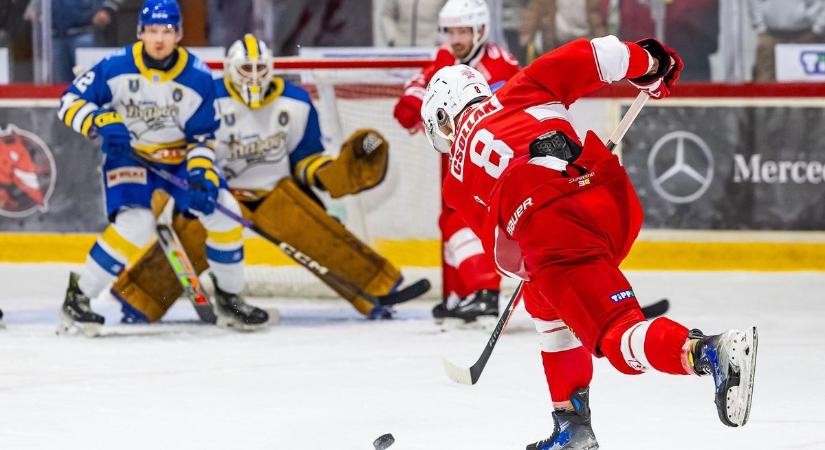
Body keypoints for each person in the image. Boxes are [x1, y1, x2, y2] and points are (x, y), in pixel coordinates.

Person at [420, 36, 758, 448]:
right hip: (607, 197)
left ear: (444, 115)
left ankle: (709, 352)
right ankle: (571, 425)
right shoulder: (520, 89)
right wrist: (651, 64)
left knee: (616, 333)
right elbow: (597, 55)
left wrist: (534, 251)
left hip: (553, 224)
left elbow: (507, 258)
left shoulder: (456, 180)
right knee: (544, 300)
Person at [110, 34, 418, 322]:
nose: (254, 76)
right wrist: (175, 191)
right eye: (246, 68)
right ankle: (139, 298)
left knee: (321, 235)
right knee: (192, 235)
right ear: (230, 70)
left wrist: (331, 174)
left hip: (274, 195)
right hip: (219, 195)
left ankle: (380, 287)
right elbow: (182, 149)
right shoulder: (204, 98)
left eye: (260, 68)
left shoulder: (295, 102)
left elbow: (306, 157)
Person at [55, 0, 267, 336]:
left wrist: (201, 175)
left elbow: (202, 138)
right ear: (139, 32)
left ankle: (229, 298)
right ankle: (78, 298)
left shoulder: (197, 76)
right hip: (130, 156)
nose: (158, 39)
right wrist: (98, 120)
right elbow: (67, 102)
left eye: (167, 31)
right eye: (152, 30)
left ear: (179, 34)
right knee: (136, 223)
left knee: (224, 209)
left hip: (179, 159)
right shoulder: (114, 66)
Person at [392, 0, 520, 327]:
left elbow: (513, 110)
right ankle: (462, 295)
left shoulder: (501, 65)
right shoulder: (445, 57)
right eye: (450, 31)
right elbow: (421, 85)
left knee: (465, 220)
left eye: (462, 30)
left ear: (480, 30)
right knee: (452, 218)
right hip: (456, 154)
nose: (456, 38)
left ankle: (485, 291)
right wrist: (412, 101)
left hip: (490, 156)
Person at [25, 0, 125, 83]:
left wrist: (107, 9)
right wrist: (34, 8)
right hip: (54, 36)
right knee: (59, 87)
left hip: (84, 32)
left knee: (90, 82)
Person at [748, 0, 825, 81]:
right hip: (770, 34)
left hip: (807, 34)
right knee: (764, 79)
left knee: (813, 81)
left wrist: (818, 27)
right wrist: (759, 26)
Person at [380, 0, 447, 46]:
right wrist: (392, 38)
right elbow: (387, 15)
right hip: (401, 46)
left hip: (431, 46)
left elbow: (450, 14)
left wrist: (441, 38)